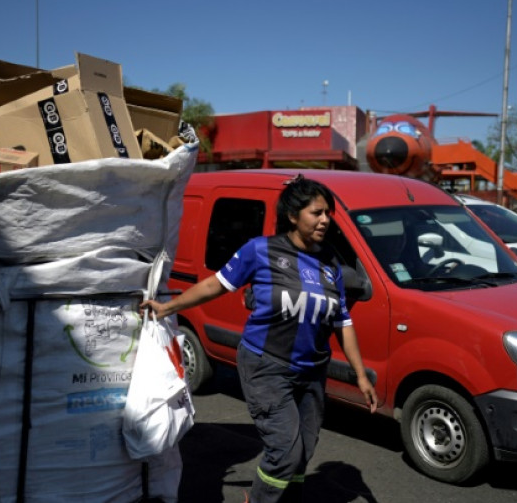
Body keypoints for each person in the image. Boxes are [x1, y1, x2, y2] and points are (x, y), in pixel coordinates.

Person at [141, 175, 378, 503]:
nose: (326, 219)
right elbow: (215, 284)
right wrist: (169, 307)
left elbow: (343, 321)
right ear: (293, 216)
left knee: (304, 448)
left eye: (328, 213)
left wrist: (361, 375)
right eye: (317, 212)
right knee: (284, 451)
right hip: (266, 365)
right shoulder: (261, 251)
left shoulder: (330, 264)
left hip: (312, 371)